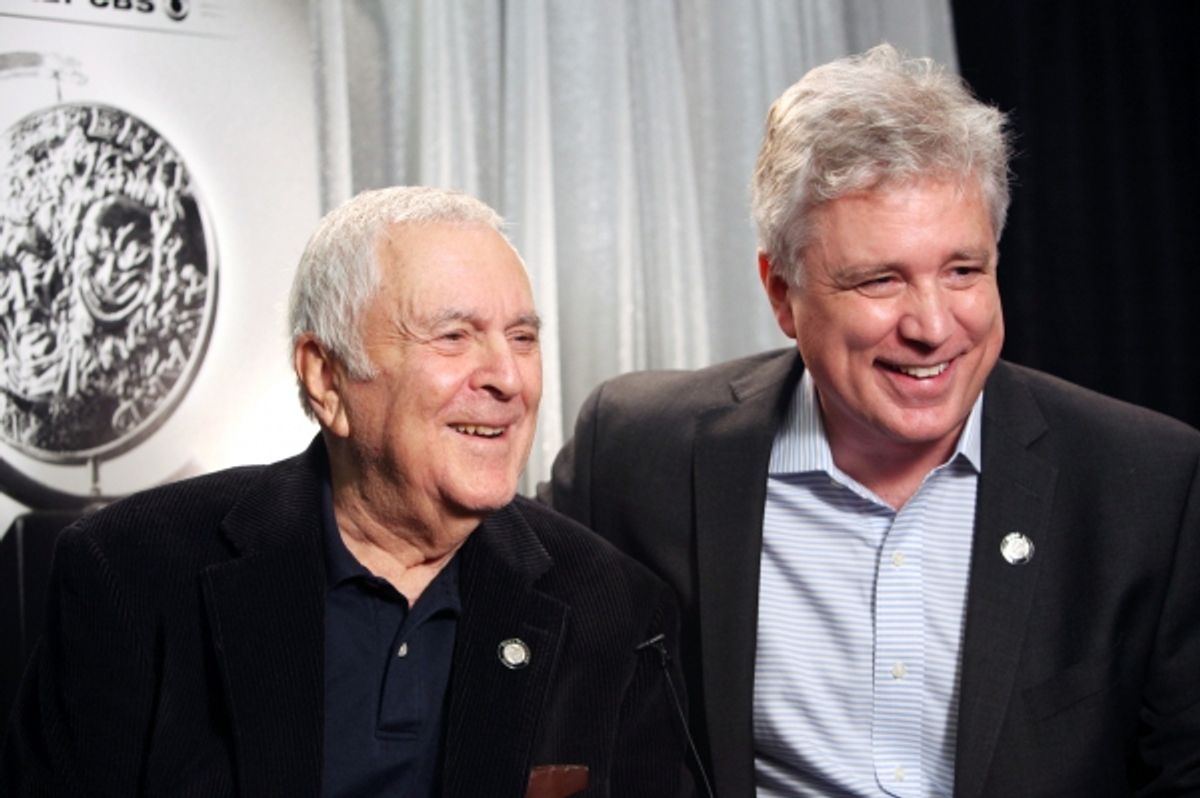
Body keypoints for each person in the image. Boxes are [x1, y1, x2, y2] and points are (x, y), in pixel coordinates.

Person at [542, 44, 1200, 796]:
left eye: (963, 271)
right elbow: (482, 602)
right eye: (880, 280)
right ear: (782, 293)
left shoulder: (1147, 485)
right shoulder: (639, 451)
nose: (933, 327)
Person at [2, 186, 695, 797]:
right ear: (327, 378)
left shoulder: (613, 606)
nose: (507, 378)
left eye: (522, 337)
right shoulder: (133, 571)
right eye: (454, 336)